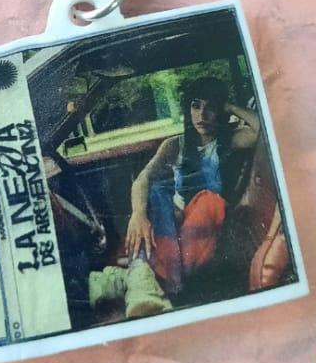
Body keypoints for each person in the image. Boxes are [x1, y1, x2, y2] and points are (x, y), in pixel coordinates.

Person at [88, 76, 262, 318]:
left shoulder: (230, 140)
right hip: (172, 225)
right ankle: (148, 282)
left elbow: (260, 129)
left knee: (209, 200)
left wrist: (230, 106)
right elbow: (142, 179)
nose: (202, 115)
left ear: (221, 111)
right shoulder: (175, 145)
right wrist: (138, 215)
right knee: (156, 191)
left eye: (211, 107)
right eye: (195, 105)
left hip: (204, 224)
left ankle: (133, 279)